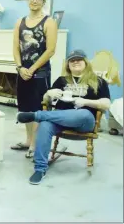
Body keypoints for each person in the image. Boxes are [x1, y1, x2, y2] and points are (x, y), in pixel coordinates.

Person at [16, 50, 110, 185]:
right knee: (45, 125)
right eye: (72, 60)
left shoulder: (98, 81)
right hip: (59, 120)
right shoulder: (61, 80)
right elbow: (46, 99)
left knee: (82, 113)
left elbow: (106, 104)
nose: (76, 62)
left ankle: (36, 115)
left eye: (79, 59)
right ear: (68, 65)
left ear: (86, 63)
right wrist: (49, 93)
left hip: (84, 121)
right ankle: (40, 169)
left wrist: (86, 102)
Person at [11, 0, 58, 158]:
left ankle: (36, 143)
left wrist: (31, 68)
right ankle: (28, 139)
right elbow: (16, 47)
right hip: (22, 71)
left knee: (37, 108)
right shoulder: (20, 22)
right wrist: (19, 67)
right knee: (25, 108)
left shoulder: (49, 22)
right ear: (27, 0)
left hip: (40, 73)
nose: (34, 1)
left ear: (44, 1)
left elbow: (50, 50)